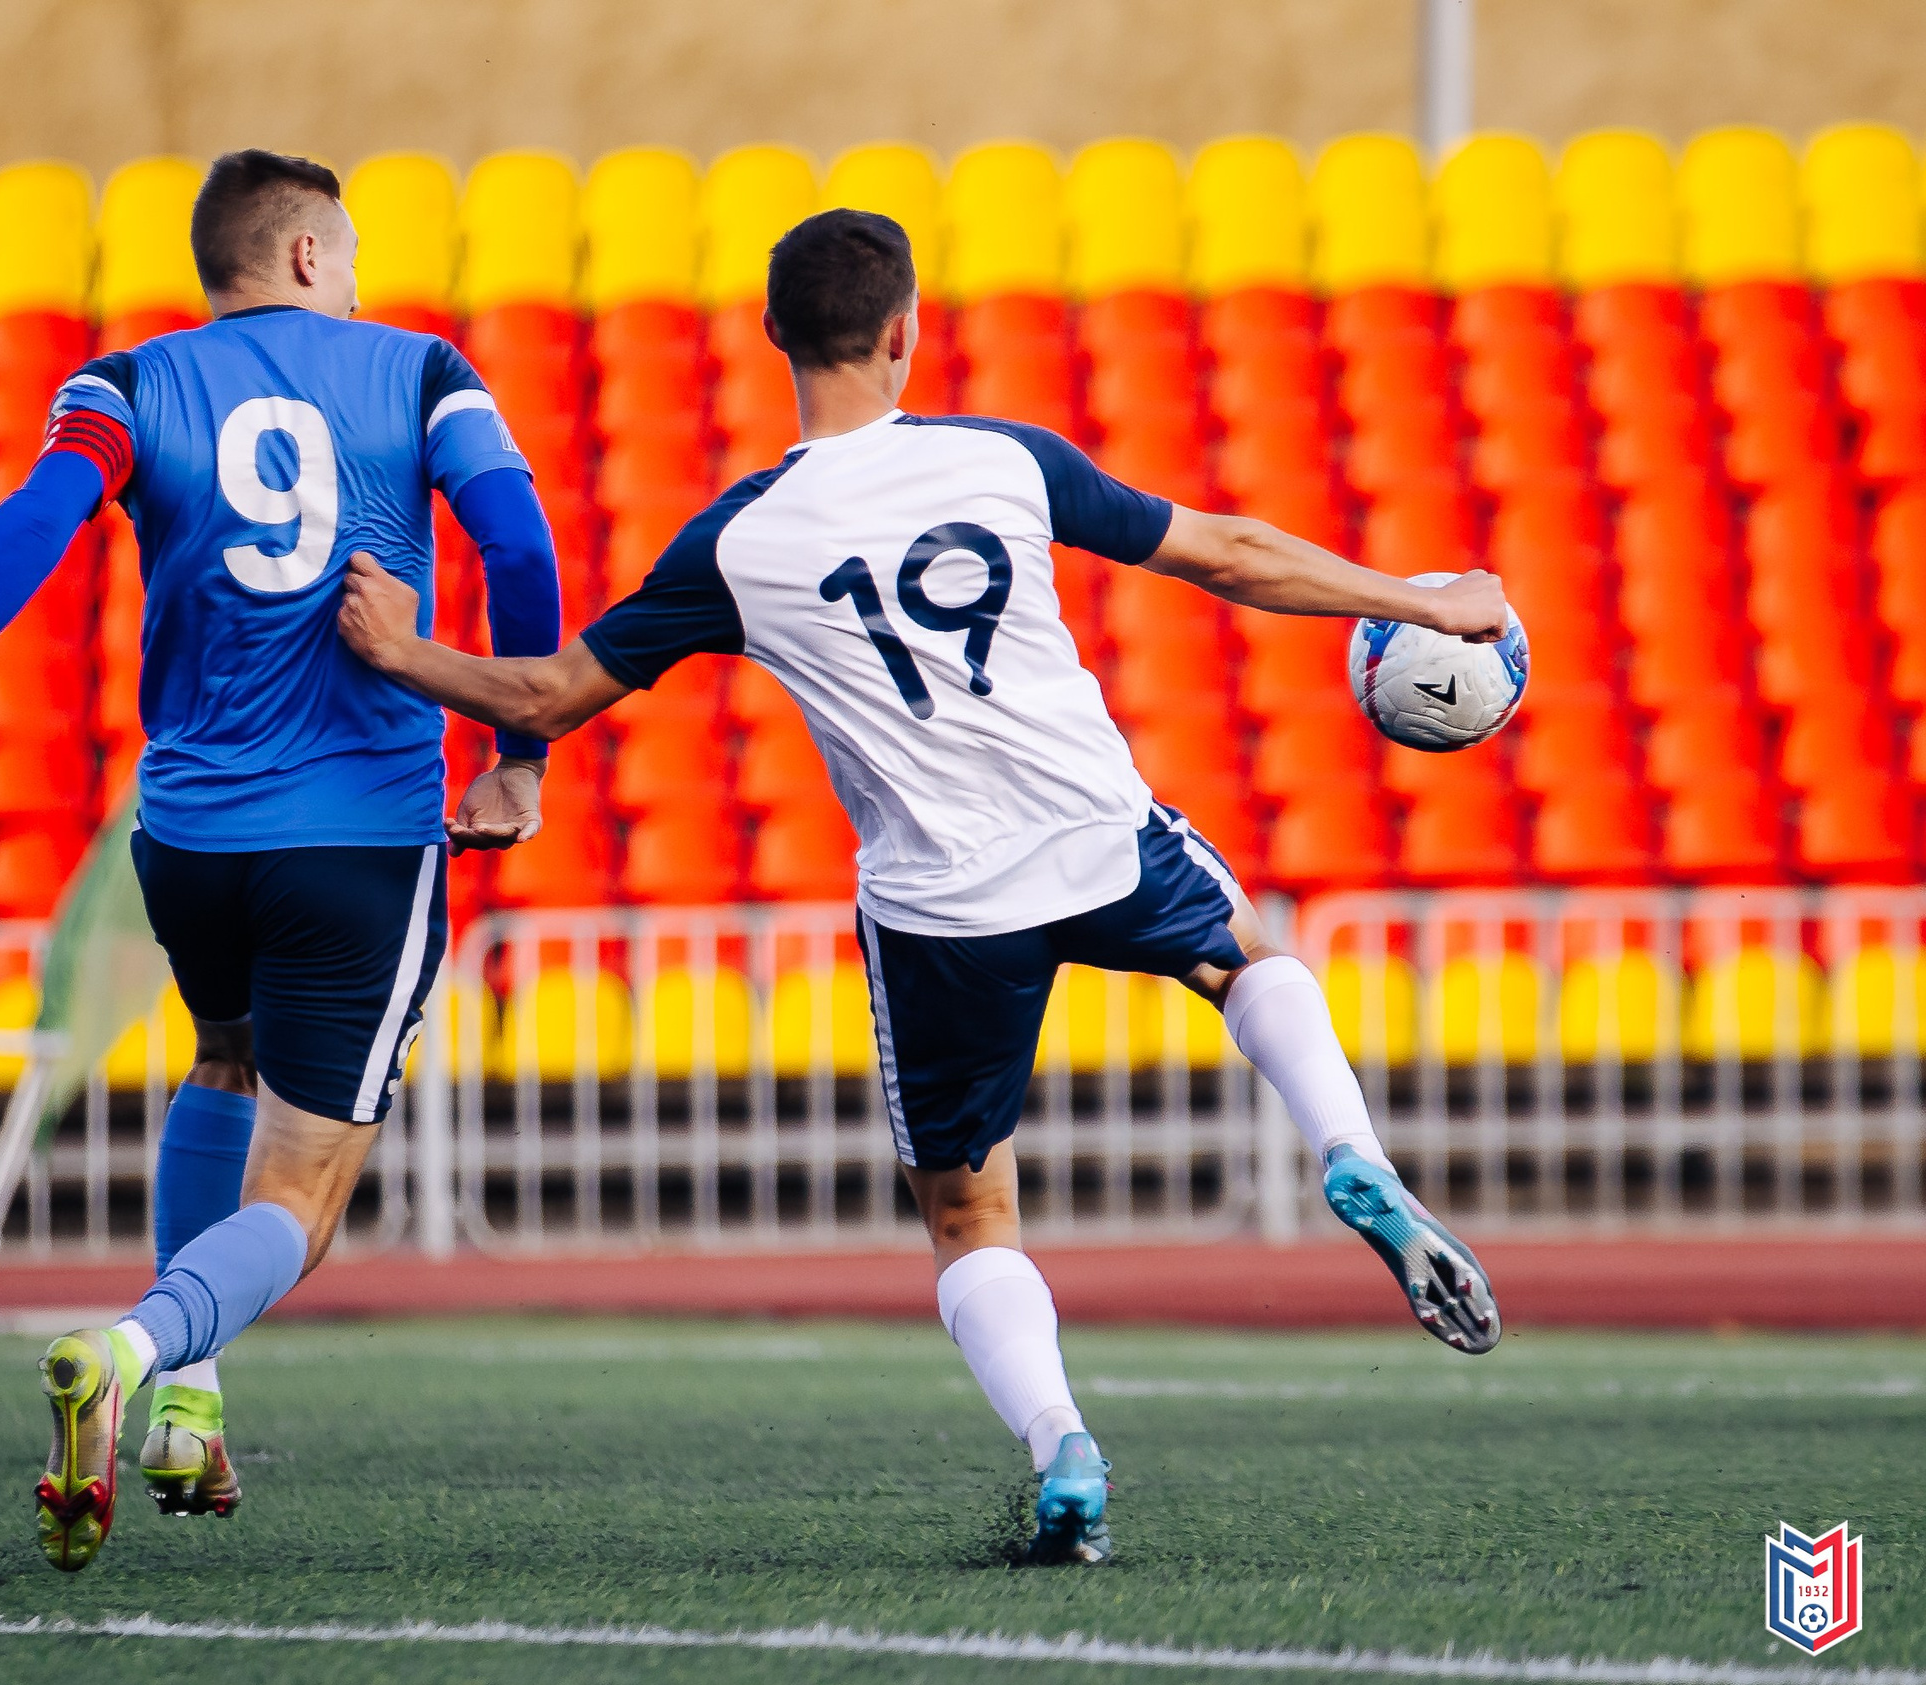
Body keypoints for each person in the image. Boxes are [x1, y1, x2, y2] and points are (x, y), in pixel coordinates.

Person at [336, 208, 1507, 1566]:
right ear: (906, 332)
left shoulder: (738, 540)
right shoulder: (1000, 458)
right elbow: (1230, 555)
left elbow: (548, 692)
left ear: (776, 335)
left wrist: (400, 649)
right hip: (1098, 835)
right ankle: (1350, 1153)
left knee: (969, 1213)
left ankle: (1062, 1445)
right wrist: (1425, 603)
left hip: (945, 908)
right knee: (1251, 958)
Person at [0, 149, 562, 1572]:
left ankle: (189, 1412)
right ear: (311, 257)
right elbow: (514, 535)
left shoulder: (127, 385)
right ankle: (132, 1348)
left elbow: (40, 517)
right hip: (359, 834)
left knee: (221, 1059)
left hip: (191, 836)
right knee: (304, 1200)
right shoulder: (423, 371)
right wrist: (517, 755)